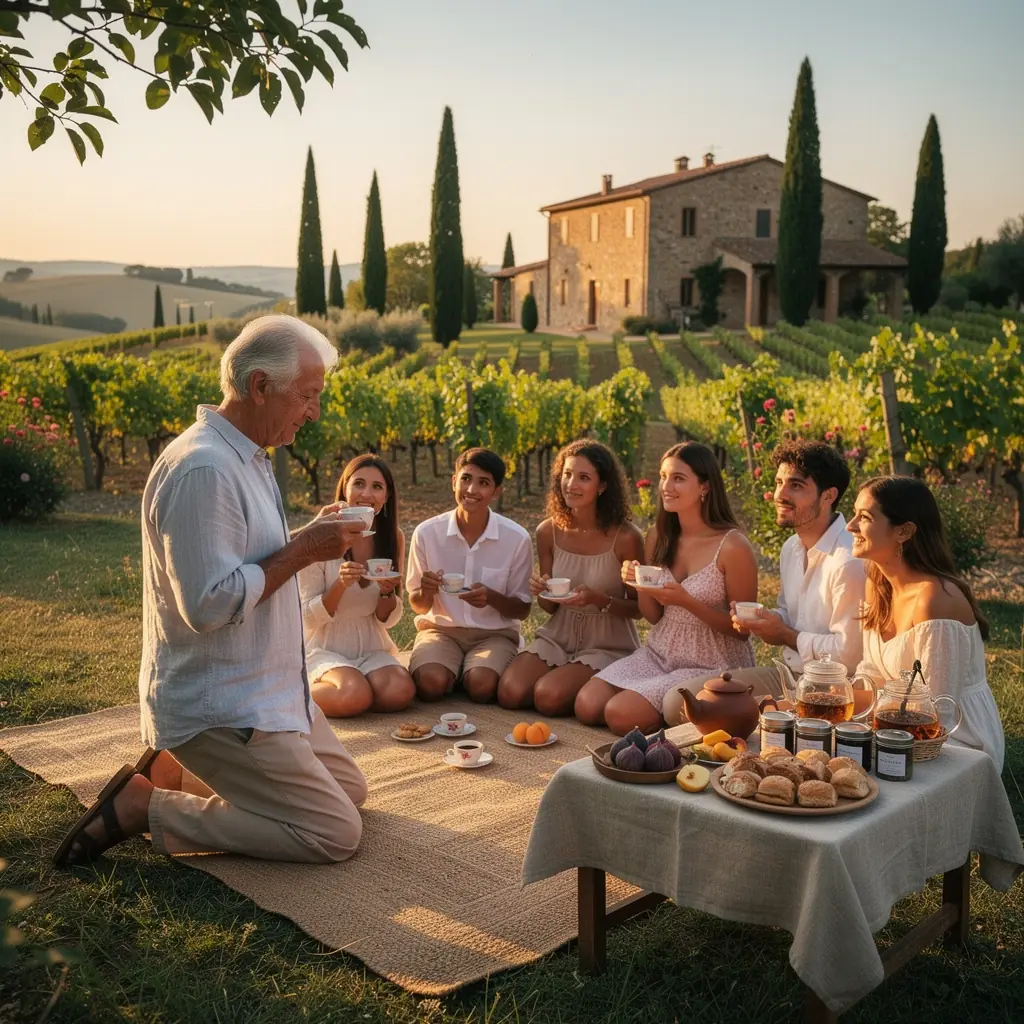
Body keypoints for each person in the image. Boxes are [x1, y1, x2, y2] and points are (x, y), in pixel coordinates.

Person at [54, 314, 370, 868]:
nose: (314, 411)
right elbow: (208, 605)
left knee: (353, 793)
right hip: (226, 704)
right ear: (260, 386)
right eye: (308, 395)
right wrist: (303, 552)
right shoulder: (204, 469)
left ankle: (174, 768)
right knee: (336, 832)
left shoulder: (247, 456)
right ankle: (143, 807)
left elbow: (247, 560)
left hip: (270, 690)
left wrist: (306, 537)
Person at [664, 440, 866, 723]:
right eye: (779, 482)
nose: (779, 494)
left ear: (828, 496)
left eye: (795, 486)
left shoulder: (848, 562)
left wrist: (783, 634)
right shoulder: (792, 548)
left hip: (834, 694)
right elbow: (787, 614)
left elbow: (849, 656)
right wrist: (763, 619)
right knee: (681, 703)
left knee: (698, 711)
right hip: (788, 676)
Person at [575, 442, 757, 736]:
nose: (666, 486)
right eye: (663, 476)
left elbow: (743, 630)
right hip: (660, 653)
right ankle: (667, 708)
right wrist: (639, 584)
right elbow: (654, 617)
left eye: (678, 478)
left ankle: (690, 715)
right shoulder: (659, 535)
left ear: (705, 487)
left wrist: (686, 601)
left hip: (711, 661)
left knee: (618, 714)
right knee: (587, 704)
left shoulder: (733, 546)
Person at [848, 475, 1004, 771]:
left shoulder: (935, 600)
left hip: (956, 739)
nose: (850, 525)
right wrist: (823, 699)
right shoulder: (877, 583)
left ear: (904, 531)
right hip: (896, 722)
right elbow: (872, 672)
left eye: (864, 517)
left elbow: (937, 712)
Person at [497, 441, 644, 715]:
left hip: (607, 642)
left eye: (583, 477)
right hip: (557, 635)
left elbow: (639, 610)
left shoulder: (627, 537)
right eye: (567, 474)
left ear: (602, 486)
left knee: (547, 696)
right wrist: (542, 591)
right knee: (510, 692)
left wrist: (600, 599)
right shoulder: (547, 532)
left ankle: (593, 684)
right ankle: (570, 677)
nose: (571, 484)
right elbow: (550, 607)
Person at [405, 448, 532, 703]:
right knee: (430, 683)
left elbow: (522, 610)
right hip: (440, 631)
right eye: (466, 479)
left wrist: (492, 598)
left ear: (496, 492)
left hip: (494, 635)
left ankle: (468, 672)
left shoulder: (516, 539)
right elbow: (418, 605)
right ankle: (450, 670)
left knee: (482, 685)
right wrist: (427, 591)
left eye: (483, 483)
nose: (472, 490)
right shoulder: (427, 533)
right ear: (454, 481)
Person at [298, 454, 415, 718]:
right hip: (325, 645)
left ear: (386, 497)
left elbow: (389, 619)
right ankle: (291, 695)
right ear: (345, 490)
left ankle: (359, 688)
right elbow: (306, 617)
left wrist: (387, 591)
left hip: (371, 644)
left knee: (401, 691)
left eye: (377, 487)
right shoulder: (321, 534)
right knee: (353, 695)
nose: (367, 493)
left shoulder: (393, 537)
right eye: (359, 484)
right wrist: (340, 585)